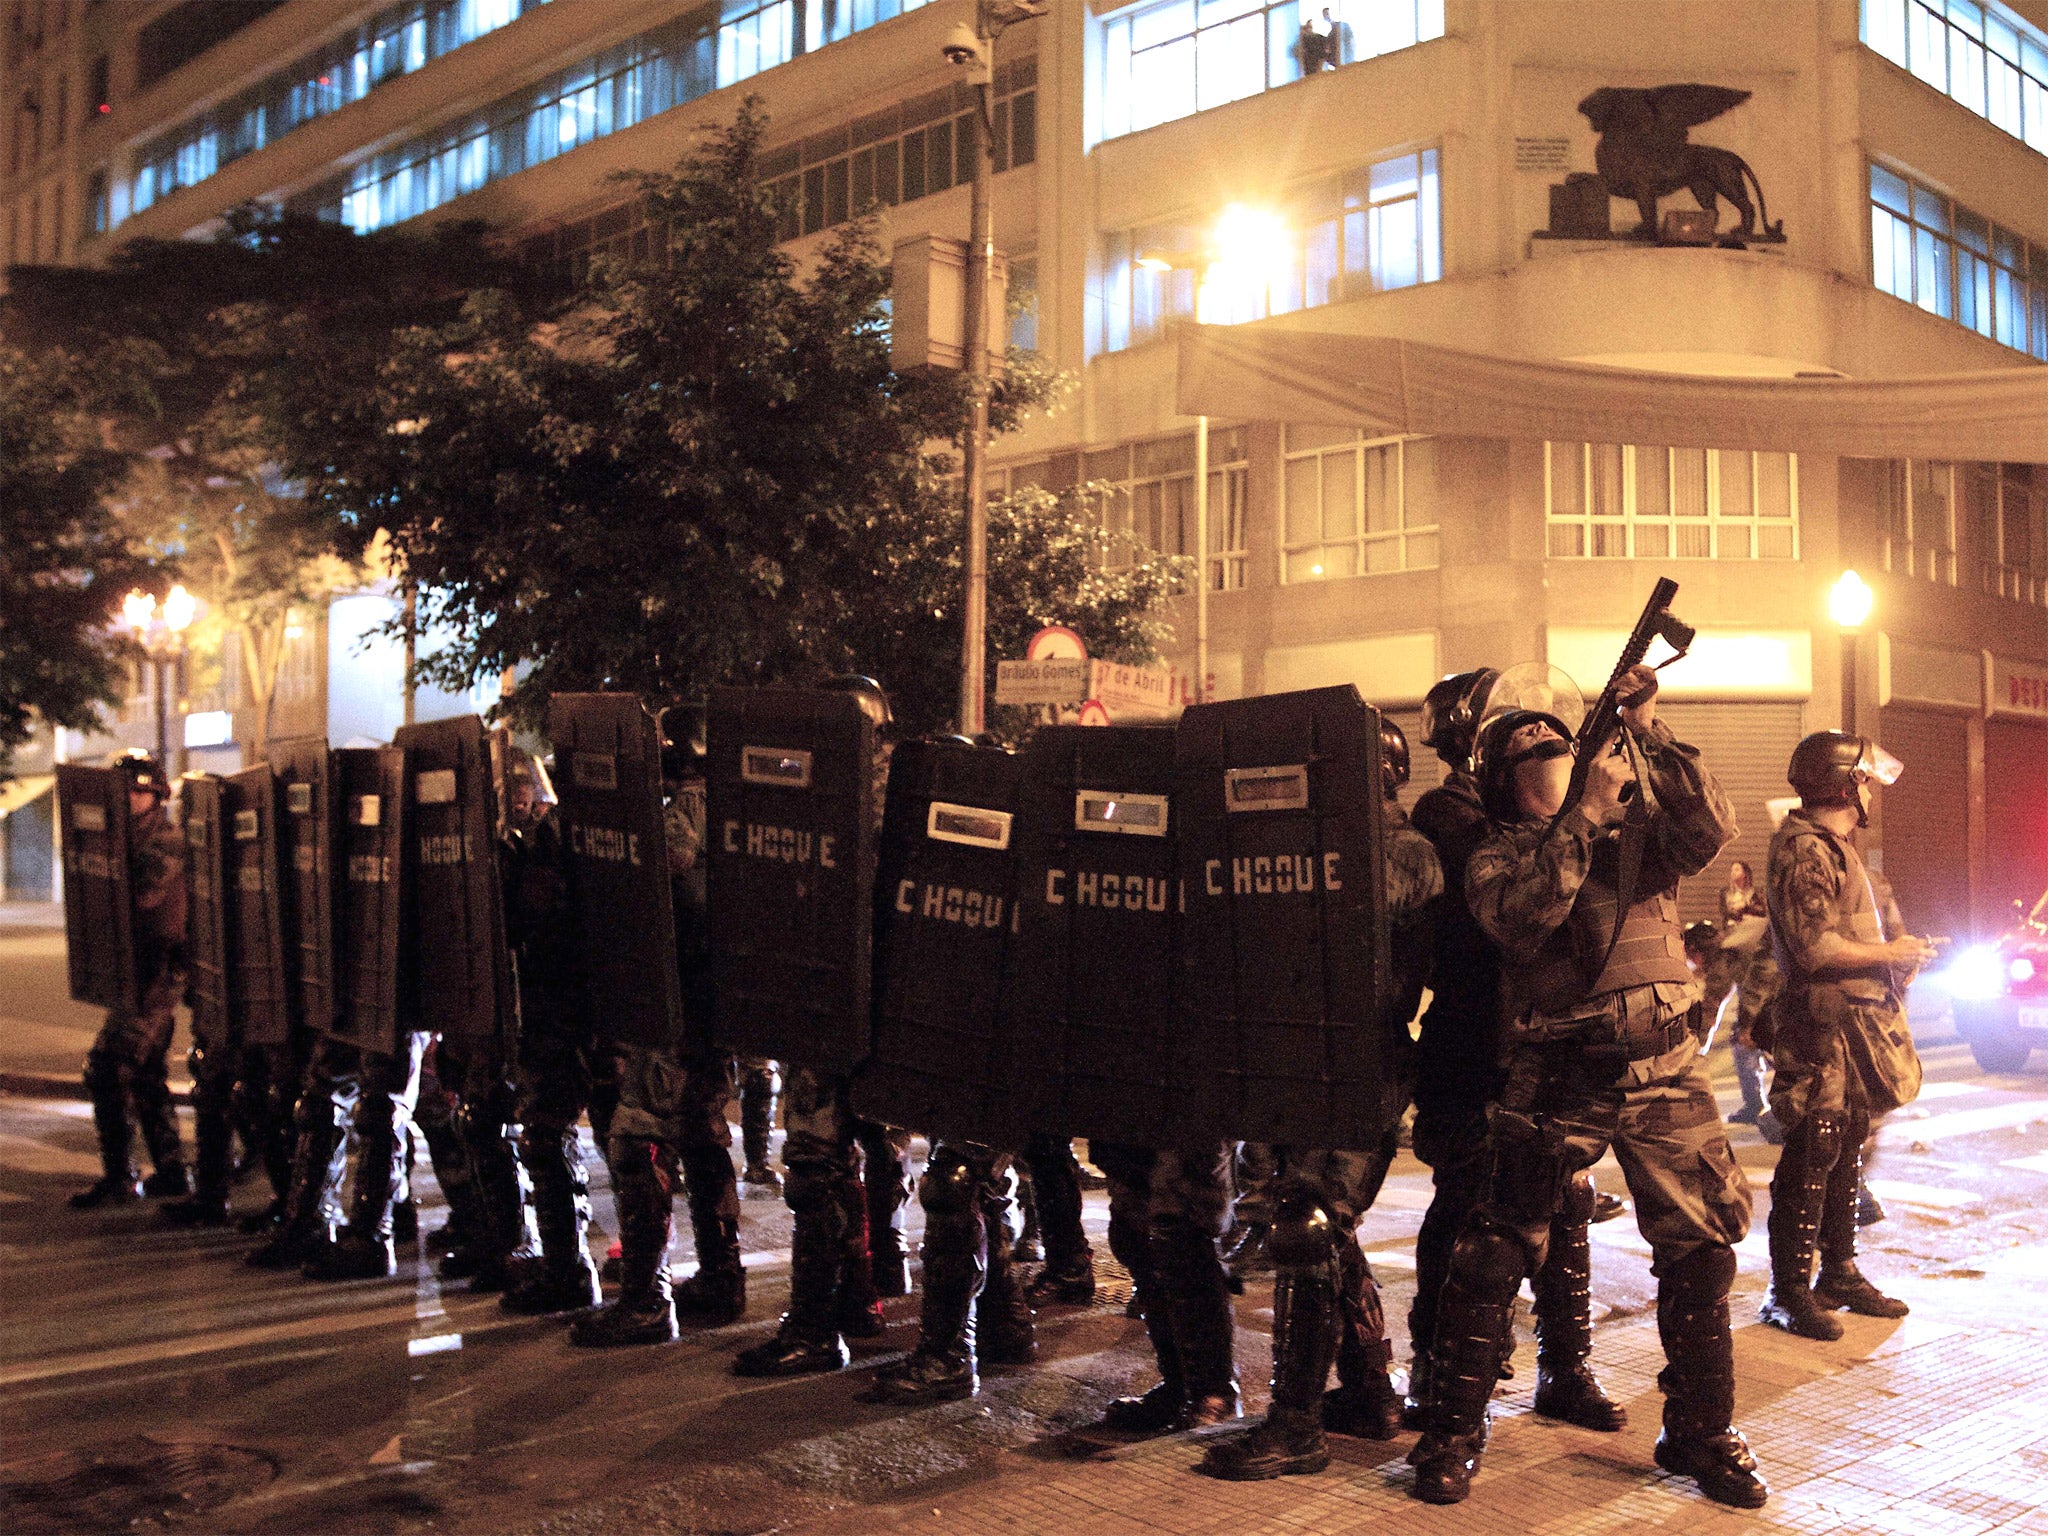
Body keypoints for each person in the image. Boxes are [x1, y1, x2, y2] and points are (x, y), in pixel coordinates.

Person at [1408, 663, 1766, 1510]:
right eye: (1529, 753)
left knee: (1702, 1248)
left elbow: (1712, 824)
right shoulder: (1501, 852)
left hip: (1665, 1066)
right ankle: (1452, 1435)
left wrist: (1649, 727)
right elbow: (1523, 918)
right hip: (1560, 1073)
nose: (1551, 759)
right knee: (1500, 1245)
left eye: (1557, 746)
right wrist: (1587, 813)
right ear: (1500, 778)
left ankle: (1700, 1434)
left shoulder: (1634, 838)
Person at [1199, 716, 1437, 1479]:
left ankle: (1296, 1425)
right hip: (1297, 1056)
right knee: (1322, 1232)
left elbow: (1363, 915)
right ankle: (1369, 1391)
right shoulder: (1318, 845)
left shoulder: (1401, 853)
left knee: (1308, 1228)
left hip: (1362, 1062)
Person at [1405, 671, 1626, 1439]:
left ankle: (1566, 1370)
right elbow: (1510, 890)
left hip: (1539, 1038)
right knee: (1468, 1207)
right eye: (1508, 728)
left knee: (1565, 1200)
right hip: (1475, 1042)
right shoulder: (1451, 812)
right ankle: (1438, 1367)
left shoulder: (1524, 812)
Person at [733, 677, 904, 1377]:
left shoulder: (856, 791)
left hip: (843, 998)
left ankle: (814, 1325)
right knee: (853, 1160)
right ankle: (856, 1301)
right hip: (862, 1001)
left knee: (816, 1163)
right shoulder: (886, 788)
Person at [574, 706, 746, 1346]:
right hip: (717, 1006)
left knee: (636, 1139)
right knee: (704, 1138)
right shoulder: (746, 812)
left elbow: (662, 889)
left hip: (673, 1004)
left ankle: (646, 1300)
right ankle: (723, 1279)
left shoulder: (684, 812)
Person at [1757, 732, 1934, 1342]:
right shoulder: (1806, 850)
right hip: (1819, 1027)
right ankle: (1787, 1291)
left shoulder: (1837, 848)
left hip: (1855, 1028)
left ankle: (1839, 1272)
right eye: (1863, 780)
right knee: (1813, 1151)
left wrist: (1898, 958)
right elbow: (1814, 947)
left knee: (1848, 1144)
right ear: (1842, 784)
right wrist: (1891, 951)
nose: (1869, 792)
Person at [501, 747, 610, 1316]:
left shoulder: (552, 840)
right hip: (593, 1008)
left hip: (561, 1007)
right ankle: (582, 1269)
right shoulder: (605, 830)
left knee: (547, 1135)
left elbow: (529, 920)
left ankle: (569, 1272)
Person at [71, 752, 191, 1208]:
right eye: (122, 790)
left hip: (158, 973)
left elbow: (139, 894)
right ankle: (172, 1171)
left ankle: (121, 1177)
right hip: (135, 970)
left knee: (105, 1068)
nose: (127, 798)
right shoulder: (125, 838)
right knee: (145, 1074)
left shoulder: (165, 840)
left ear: (155, 794)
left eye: (136, 790)